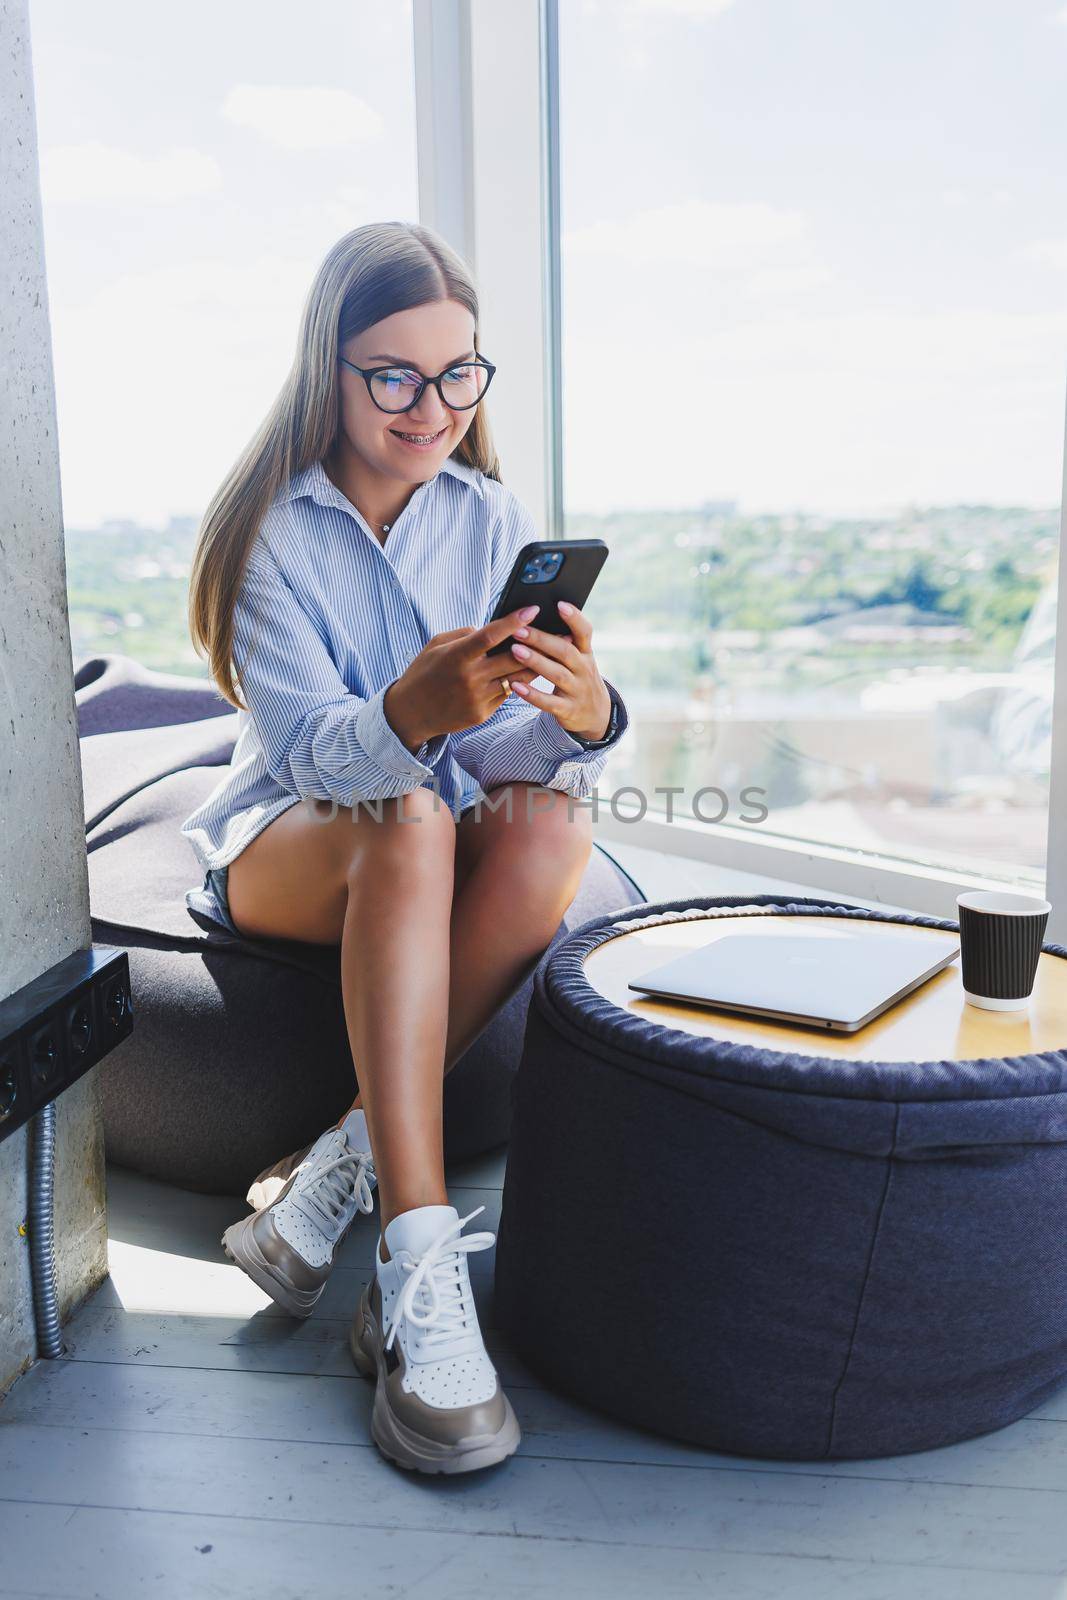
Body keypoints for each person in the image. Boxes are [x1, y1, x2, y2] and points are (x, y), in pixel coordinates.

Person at [180, 220, 629, 1474]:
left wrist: (580, 719)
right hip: (286, 839)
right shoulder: (268, 529)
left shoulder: (490, 517)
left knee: (550, 820)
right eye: (393, 375)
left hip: (421, 835)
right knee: (405, 809)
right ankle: (416, 1245)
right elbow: (314, 750)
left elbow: (493, 764)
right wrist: (408, 715)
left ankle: (344, 1161)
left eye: (457, 373)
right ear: (327, 369)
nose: (430, 405)